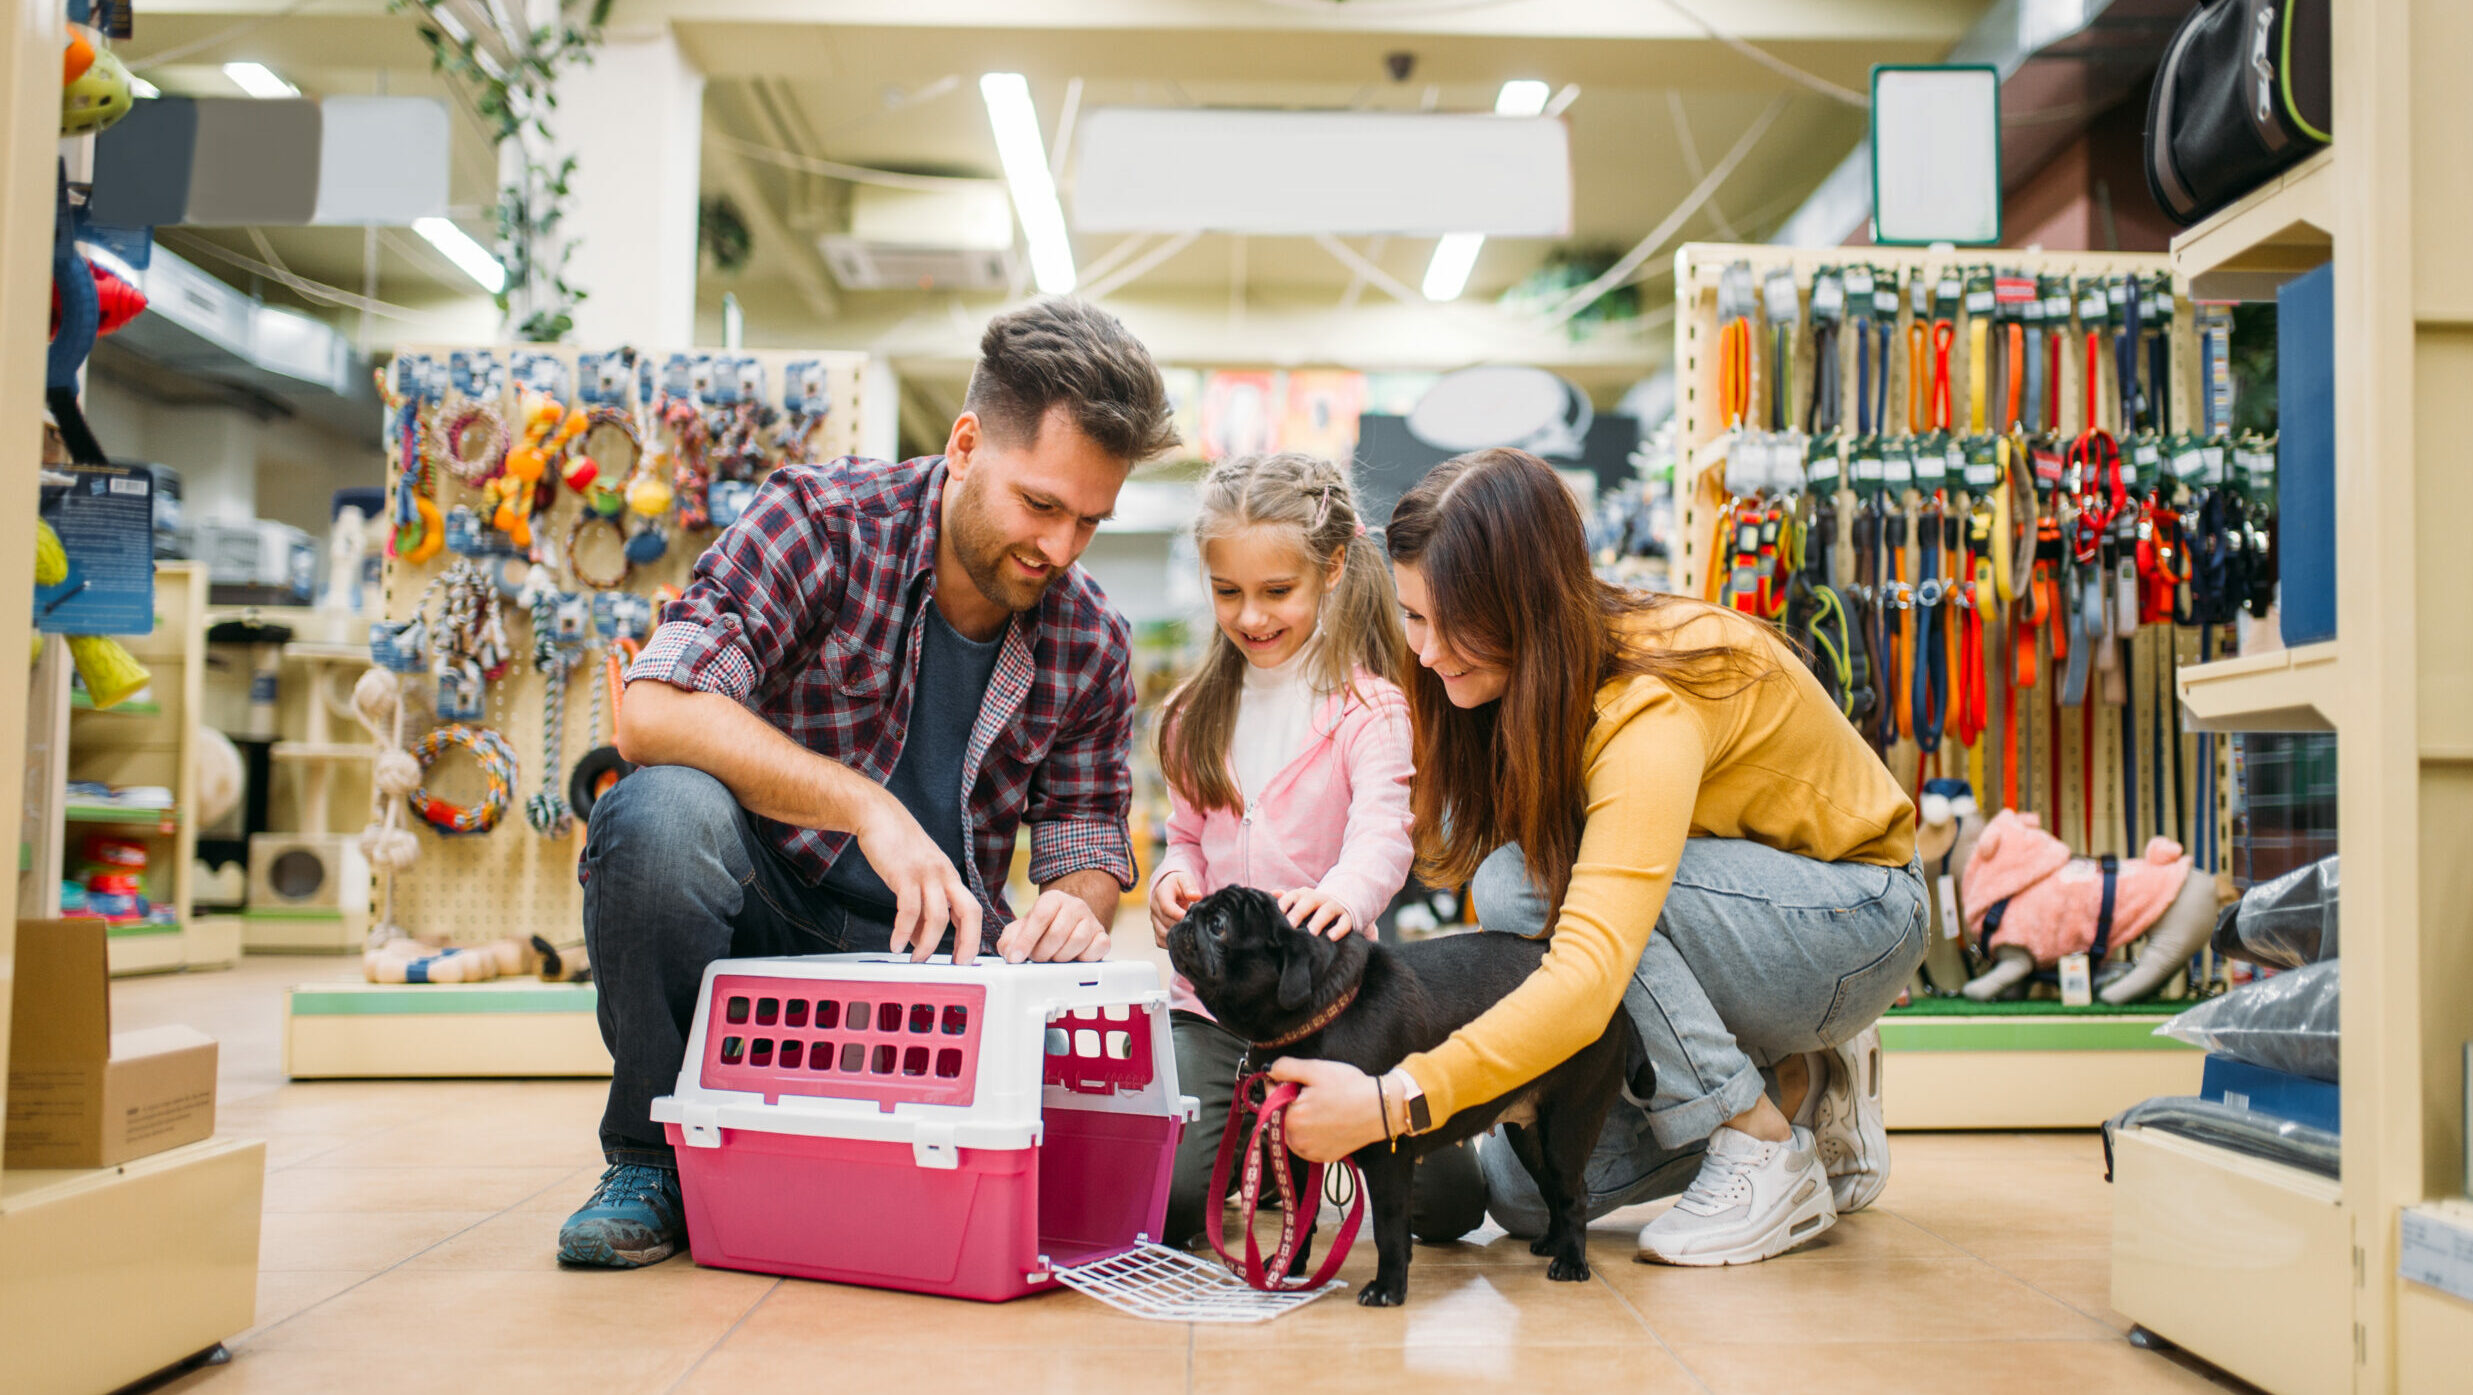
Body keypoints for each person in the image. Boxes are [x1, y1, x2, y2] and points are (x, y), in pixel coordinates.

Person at [558, 299, 1177, 1269]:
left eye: (1089, 522)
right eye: (1041, 506)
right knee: (659, 814)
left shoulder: (1090, 638)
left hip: (933, 963)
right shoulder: (823, 522)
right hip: (760, 915)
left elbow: (1090, 841)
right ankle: (648, 1155)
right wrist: (863, 805)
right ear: (966, 444)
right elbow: (652, 713)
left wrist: (1073, 907)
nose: (1059, 549)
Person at [1266, 447, 1926, 1268]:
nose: (1427, 652)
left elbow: (1586, 974)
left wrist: (1397, 1101)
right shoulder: (1514, 684)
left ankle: (1758, 1140)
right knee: (1519, 1188)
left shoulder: (1644, 705)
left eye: (1451, 620)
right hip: (1740, 926)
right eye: (1413, 616)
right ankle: (1797, 1085)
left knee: (1518, 883)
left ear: (1526, 602)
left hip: (1856, 919)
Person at [1144, 453, 1477, 1248]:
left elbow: (1382, 833)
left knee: (1451, 1204)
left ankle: (1295, 1145)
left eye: (1275, 591)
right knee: (1176, 1199)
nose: (1251, 616)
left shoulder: (1371, 708)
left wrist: (1344, 896)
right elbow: (1184, 837)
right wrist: (1172, 879)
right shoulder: (1193, 712)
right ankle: (1271, 1148)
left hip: (1337, 1009)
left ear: (1331, 570)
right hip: (1217, 1016)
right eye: (1228, 592)